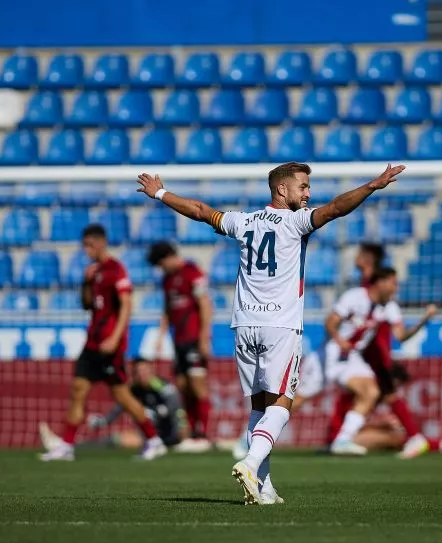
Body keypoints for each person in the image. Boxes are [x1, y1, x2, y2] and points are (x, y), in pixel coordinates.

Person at [137, 161, 406, 504]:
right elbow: (337, 208)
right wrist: (371, 186)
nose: (308, 193)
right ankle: (250, 463)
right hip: (280, 327)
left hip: (244, 325)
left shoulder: (243, 221)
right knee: (281, 404)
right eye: (303, 186)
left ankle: (264, 488)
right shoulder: (296, 222)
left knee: (259, 407)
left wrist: (160, 192)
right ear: (282, 189)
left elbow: (201, 211)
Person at [38, 224, 167, 462]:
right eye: (84, 246)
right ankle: (66, 446)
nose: (86, 250)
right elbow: (87, 305)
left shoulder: (116, 269)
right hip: (92, 343)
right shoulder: (94, 272)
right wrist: (86, 283)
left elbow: (126, 305)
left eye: (89, 245)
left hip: (110, 346)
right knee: (78, 390)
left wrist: (115, 338)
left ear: (101, 243)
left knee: (122, 396)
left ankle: (153, 440)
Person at [324, 268, 421, 455]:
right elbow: (330, 321)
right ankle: (257, 434)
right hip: (335, 354)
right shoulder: (354, 296)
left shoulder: (389, 307)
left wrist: (422, 322)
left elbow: (401, 336)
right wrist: (339, 340)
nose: (396, 288)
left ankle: (342, 440)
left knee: (372, 392)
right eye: (393, 283)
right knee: (298, 398)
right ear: (380, 282)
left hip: (353, 357)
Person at [146, 241, 213, 451]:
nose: (161, 269)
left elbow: (205, 304)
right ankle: (191, 434)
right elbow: (167, 309)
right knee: (182, 386)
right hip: (179, 341)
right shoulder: (167, 280)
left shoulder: (192, 272)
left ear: (168, 257)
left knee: (197, 385)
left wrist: (204, 337)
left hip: (194, 339)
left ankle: (203, 434)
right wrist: (160, 336)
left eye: (161, 264)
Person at [86, 358, 184, 449]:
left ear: (152, 371)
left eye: (145, 370)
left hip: (170, 432)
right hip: (148, 434)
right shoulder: (135, 389)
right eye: (138, 371)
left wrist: (160, 411)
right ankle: (90, 445)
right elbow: (120, 406)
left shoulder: (160, 385)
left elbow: (175, 403)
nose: (142, 374)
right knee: (119, 439)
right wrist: (104, 421)